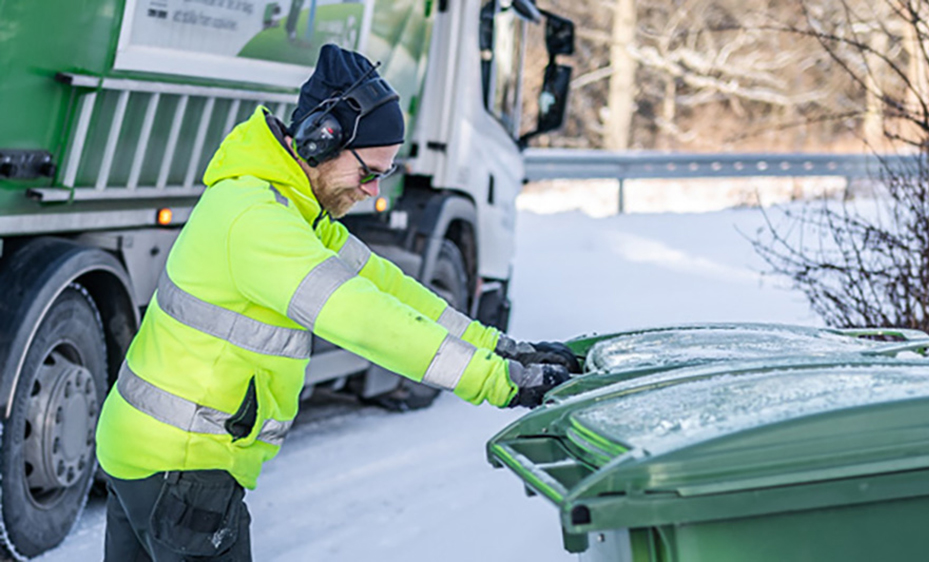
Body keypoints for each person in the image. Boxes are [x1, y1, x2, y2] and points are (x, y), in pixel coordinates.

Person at [95, 44, 580, 561]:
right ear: (320, 141)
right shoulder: (257, 221)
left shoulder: (290, 210)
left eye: (384, 175)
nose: (372, 190)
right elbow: (366, 319)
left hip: (146, 453)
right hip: (182, 465)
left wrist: (500, 347)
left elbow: (386, 286)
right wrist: (497, 383)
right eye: (368, 171)